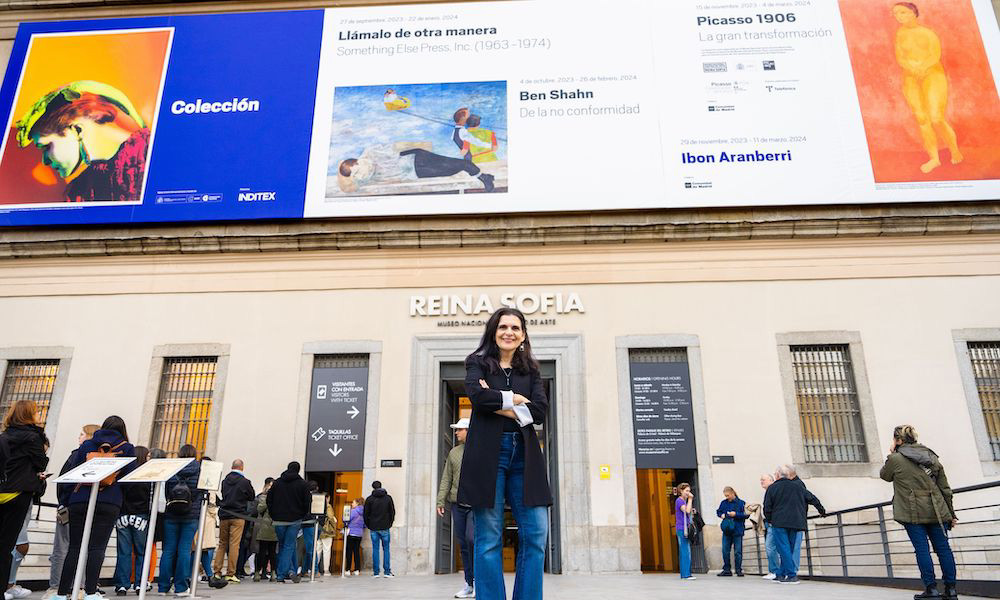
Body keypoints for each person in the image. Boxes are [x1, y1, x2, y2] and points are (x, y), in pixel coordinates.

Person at [458, 308, 551, 600]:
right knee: (488, 538)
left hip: (525, 457)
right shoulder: (477, 363)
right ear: (493, 331)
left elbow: (539, 411)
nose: (509, 332)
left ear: (523, 335)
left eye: (515, 328)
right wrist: (514, 400)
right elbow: (475, 395)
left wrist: (495, 401)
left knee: (536, 532)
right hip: (488, 456)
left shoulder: (531, 370)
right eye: (503, 327)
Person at [14, 80, 151, 202]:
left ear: (78, 130)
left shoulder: (150, 153)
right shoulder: (81, 192)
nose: (45, 161)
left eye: (46, 146)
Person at [54, 416, 134, 600]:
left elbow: (72, 473)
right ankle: (90, 592)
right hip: (109, 501)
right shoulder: (127, 448)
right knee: (97, 548)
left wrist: (66, 500)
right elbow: (129, 481)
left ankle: (61, 593)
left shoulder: (87, 446)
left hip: (80, 499)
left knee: (74, 547)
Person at [881, 425, 958, 600]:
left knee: (922, 550)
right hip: (937, 510)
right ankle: (951, 590)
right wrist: (951, 514)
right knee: (944, 549)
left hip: (912, 512)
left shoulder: (896, 459)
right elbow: (945, 489)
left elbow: (884, 475)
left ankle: (931, 590)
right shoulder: (932, 456)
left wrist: (892, 453)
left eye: (894, 440)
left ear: (898, 440)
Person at [891, 2, 962, 174]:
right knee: (922, 119)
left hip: (933, 75)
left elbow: (935, 54)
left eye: (903, 12)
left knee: (936, 118)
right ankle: (934, 159)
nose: (899, 16)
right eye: (896, 13)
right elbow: (900, 57)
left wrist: (923, 67)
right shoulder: (899, 34)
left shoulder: (928, 33)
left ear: (914, 13)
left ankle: (955, 150)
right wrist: (911, 68)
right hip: (910, 77)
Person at [0, 402, 48, 599]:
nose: (39, 414)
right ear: (29, 415)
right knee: (6, 546)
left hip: (2, 490)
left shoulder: (5, 435)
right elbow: (40, 462)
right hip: (18, 495)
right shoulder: (33, 437)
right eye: (36, 412)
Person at [45, 424, 98, 600]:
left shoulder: (76, 455)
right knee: (83, 548)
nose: (79, 436)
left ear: (89, 436)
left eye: (82, 433)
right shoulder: (100, 458)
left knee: (62, 547)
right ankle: (80, 587)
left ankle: (55, 587)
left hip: (71, 505)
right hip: (89, 508)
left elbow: (64, 481)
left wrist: (62, 503)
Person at [337, 142, 495, 194]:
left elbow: (395, 149)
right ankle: (485, 176)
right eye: (355, 175)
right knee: (453, 168)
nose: (359, 175)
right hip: (416, 171)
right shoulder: (362, 177)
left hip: (416, 159)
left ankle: (484, 178)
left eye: (356, 170)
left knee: (456, 165)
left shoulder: (370, 153)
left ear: (356, 162)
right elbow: (350, 187)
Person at [763, 465, 826, 585]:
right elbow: (813, 499)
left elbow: (767, 507)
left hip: (779, 523)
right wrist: (822, 511)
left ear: (777, 475)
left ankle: (792, 575)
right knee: (789, 548)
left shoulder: (772, 488)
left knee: (783, 548)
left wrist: (770, 520)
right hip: (796, 522)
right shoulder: (798, 487)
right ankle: (781, 574)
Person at [157, 444, 202, 596]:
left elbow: (166, 490)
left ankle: (163, 587)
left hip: (171, 514)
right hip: (191, 515)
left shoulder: (172, 469)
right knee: (184, 550)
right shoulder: (199, 469)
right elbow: (201, 491)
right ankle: (181, 587)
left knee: (168, 550)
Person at [437, 417, 475, 598]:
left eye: (460, 429)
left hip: (475, 505)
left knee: (472, 540)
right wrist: (440, 501)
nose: (456, 432)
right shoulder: (453, 452)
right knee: (464, 545)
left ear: (468, 430)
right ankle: (469, 584)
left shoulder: (479, 449)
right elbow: (446, 478)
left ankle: (480, 582)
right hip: (457, 504)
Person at [113, 446, 151, 596]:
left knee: (124, 552)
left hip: (123, 515)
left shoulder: (123, 473)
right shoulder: (147, 474)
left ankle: (122, 584)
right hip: (140, 515)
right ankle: (139, 584)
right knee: (141, 552)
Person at [267, 461, 310, 584]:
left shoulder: (277, 483)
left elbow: (269, 500)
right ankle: (282, 574)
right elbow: (307, 502)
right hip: (294, 519)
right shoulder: (302, 484)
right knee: (289, 546)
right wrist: (302, 514)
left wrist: (273, 514)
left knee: (282, 546)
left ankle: (289, 571)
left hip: (278, 519)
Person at [214, 459, 255, 582]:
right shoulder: (245, 482)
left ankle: (217, 571)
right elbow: (251, 496)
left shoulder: (224, 481)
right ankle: (231, 573)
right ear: (242, 467)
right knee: (234, 545)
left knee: (222, 544)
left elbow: (223, 494)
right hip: (238, 516)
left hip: (224, 515)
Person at [750, 474, 780, 580]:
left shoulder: (773, 489)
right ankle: (774, 570)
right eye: (760, 479)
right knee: (772, 548)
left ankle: (775, 571)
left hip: (773, 523)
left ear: (771, 480)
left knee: (771, 547)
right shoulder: (769, 490)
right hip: (769, 523)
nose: (761, 481)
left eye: (763, 479)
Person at [364, 481, 396, 578]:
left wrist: (369, 525)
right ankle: (387, 572)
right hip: (385, 527)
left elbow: (365, 514)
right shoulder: (388, 498)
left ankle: (376, 572)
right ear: (381, 486)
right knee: (386, 549)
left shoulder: (369, 499)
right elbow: (392, 512)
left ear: (373, 487)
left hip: (374, 527)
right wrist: (389, 523)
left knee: (375, 549)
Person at [716, 486, 748, 577]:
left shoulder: (742, 503)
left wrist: (736, 514)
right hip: (727, 530)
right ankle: (727, 570)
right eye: (725, 496)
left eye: (728, 495)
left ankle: (738, 570)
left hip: (738, 529)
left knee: (738, 551)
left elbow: (746, 515)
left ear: (733, 493)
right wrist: (721, 515)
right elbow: (718, 511)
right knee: (725, 550)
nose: (727, 497)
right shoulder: (723, 503)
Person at [252, 478, 276, 582]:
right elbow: (259, 509)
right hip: (265, 528)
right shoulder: (263, 497)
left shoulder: (266, 498)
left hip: (270, 527)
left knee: (271, 552)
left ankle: (269, 573)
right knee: (262, 551)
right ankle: (259, 572)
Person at [674, 483, 696, 581]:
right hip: (682, 529)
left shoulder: (683, 501)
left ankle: (685, 574)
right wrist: (691, 499)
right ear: (681, 491)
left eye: (689, 490)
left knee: (684, 551)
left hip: (683, 528)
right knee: (685, 551)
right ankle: (686, 575)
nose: (688, 493)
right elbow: (686, 511)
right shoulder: (679, 501)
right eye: (686, 491)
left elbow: (689, 511)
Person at [299, 481, 320, 578]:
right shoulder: (320, 498)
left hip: (308, 524)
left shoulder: (306, 496)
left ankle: (315, 570)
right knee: (310, 548)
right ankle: (305, 569)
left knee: (310, 549)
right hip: (316, 524)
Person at [317, 493, 336, 577]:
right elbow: (331, 517)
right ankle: (326, 570)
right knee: (326, 550)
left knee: (317, 550)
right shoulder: (328, 506)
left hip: (319, 530)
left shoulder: (317, 505)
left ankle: (313, 568)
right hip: (327, 531)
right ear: (327, 498)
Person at [344, 498, 365, 576]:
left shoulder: (353, 511)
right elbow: (365, 525)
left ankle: (348, 569)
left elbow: (345, 519)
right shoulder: (364, 512)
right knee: (356, 552)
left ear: (357, 503)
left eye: (353, 503)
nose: (352, 504)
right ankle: (357, 570)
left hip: (351, 533)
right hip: (359, 534)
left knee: (349, 552)